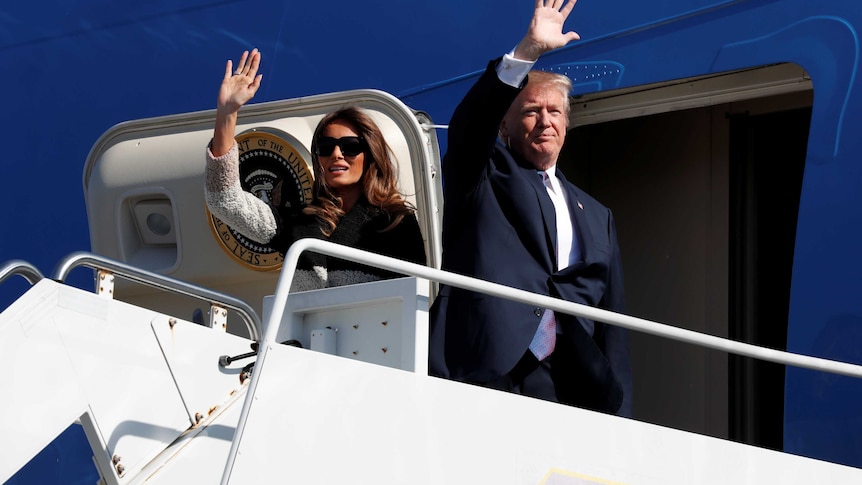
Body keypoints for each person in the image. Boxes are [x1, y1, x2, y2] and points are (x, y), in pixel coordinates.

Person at [428, 0, 632, 416]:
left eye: (554, 111)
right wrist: (527, 52)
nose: (545, 121)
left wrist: (621, 413)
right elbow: (470, 128)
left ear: (567, 123)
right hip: (486, 367)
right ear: (504, 126)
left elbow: (612, 319)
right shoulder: (483, 173)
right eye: (531, 111)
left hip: (570, 379)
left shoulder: (597, 214)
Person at [205, 49, 427, 291]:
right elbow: (224, 201)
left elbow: (417, 301)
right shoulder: (301, 222)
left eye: (351, 147)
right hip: (303, 329)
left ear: (371, 156)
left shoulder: (395, 222)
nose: (336, 154)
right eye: (326, 147)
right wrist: (227, 114)